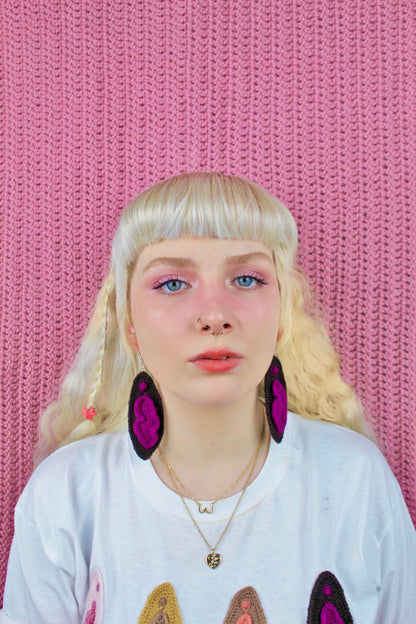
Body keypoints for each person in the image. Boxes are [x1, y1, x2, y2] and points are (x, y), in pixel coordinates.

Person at [0, 172, 415, 624]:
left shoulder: (356, 478)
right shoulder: (66, 496)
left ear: (282, 314)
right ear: (129, 322)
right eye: (173, 284)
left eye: (248, 279)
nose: (215, 315)